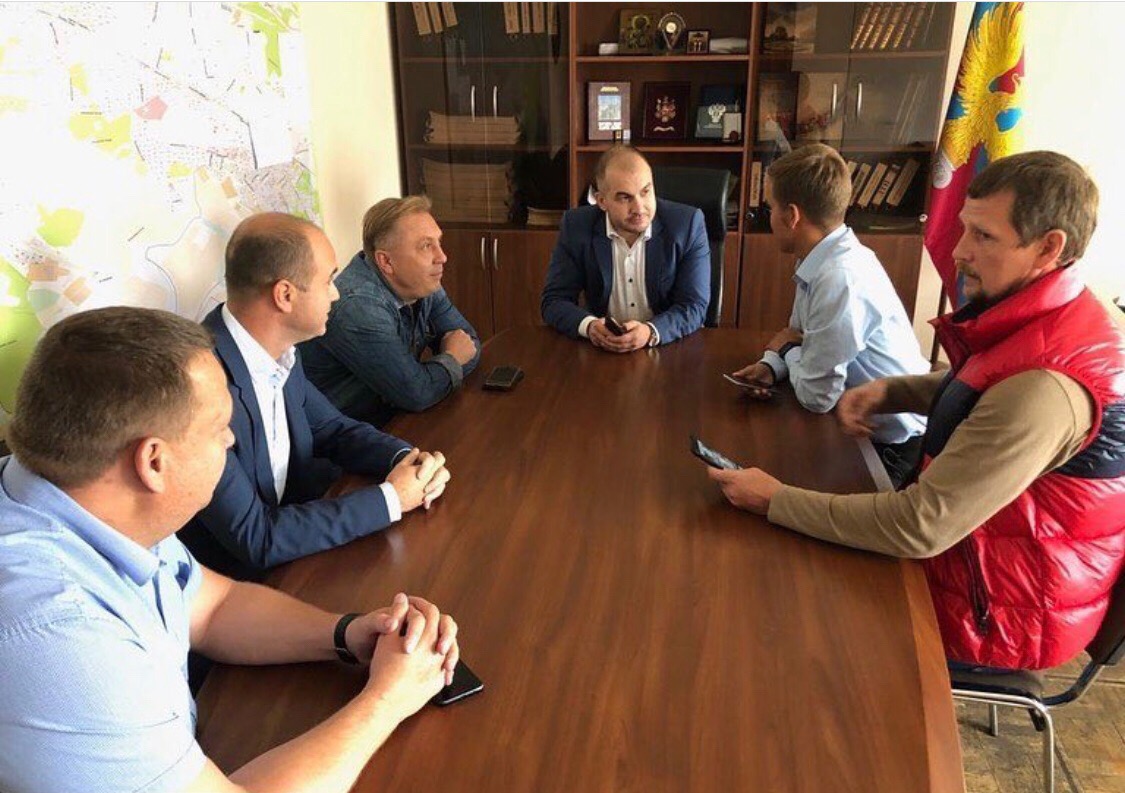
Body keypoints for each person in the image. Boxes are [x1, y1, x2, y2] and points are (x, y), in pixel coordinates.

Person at [0, 307, 460, 793]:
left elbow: (213, 608)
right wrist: (388, 699)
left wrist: (346, 633)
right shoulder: (59, 631)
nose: (231, 438)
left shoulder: (90, 498)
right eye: (219, 426)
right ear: (153, 462)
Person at [707, 151, 1125, 671]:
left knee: (780, 619)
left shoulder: (1045, 389)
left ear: (1048, 247)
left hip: (999, 613)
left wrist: (775, 500)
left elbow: (920, 526)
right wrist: (892, 392)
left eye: (983, 236)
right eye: (965, 229)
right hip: (983, 563)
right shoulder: (1055, 317)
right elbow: (985, 386)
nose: (959, 251)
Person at [178, 213, 450, 579]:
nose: (336, 294)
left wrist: (408, 461)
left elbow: (332, 429)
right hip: (241, 585)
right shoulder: (200, 387)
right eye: (328, 281)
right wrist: (392, 498)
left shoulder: (280, 351)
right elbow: (257, 538)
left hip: (302, 549)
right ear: (285, 295)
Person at [731, 144, 929, 487]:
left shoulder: (840, 276)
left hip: (887, 449)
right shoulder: (822, 255)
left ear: (792, 216)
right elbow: (799, 335)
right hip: (852, 425)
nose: (768, 215)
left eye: (770, 207)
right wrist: (773, 365)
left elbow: (816, 396)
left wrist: (786, 350)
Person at [300, 196, 480, 427]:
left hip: (391, 420)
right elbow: (417, 394)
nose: (442, 257)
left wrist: (443, 367)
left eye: (438, 242)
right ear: (386, 261)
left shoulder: (421, 283)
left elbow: (469, 343)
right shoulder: (357, 306)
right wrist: (452, 358)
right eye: (426, 246)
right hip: (343, 435)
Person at [540, 145, 711, 352]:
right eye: (625, 198)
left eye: (645, 192)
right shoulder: (577, 226)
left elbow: (694, 305)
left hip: (669, 346)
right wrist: (589, 326)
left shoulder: (687, 224)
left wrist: (650, 331)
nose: (639, 208)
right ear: (601, 201)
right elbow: (554, 300)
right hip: (603, 349)